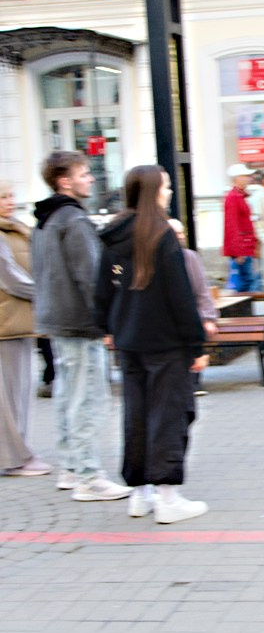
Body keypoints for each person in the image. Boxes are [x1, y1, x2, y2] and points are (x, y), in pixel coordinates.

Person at [95, 166, 209, 524]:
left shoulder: (113, 235)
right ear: (153, 192)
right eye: (166, 187)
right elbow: (180, 298)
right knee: (169, 414)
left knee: (137, 414)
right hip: (166, 343)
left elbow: (100, 290)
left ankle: (139, 493)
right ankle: (167, 496)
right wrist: (196, 344)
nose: (170, 192)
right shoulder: (161, 235)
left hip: (129, 340)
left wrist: (107, 326)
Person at [32, 153, 130, 502]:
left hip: (57, 320)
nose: (90, 179)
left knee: (67, 396)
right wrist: (108, 319)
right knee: (86, 399)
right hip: (79, 323)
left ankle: (72, 468)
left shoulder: (46, 219)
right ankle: (88, 476)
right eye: (84, 174)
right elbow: (92, 277)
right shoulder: (73, 220)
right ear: (64, 181)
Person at [0, 181, 52, 476]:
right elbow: (11, 279)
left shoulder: (13, 229)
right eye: (3, 197)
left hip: (17, 321)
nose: (10, 201)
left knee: (19, 390)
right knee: (9, 395)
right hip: (7, 322)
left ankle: (19, 453)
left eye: (11, 195)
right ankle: (13, 458)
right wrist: (47, 292)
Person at [168, 217, 218, 396]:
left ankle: (194, 381)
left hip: (191, 313)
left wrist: (208, 318)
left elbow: (202, 290)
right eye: (176, 233)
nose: (180, 237)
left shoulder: (190, 257)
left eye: (182, 232)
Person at [222, 163, 258, 292]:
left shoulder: (240, 196)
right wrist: (238, 251)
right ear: (237, 178)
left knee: (246, 281)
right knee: (245, 282)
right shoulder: (233, 197)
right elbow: (232, 225)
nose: (248, 178)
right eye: (245, 176)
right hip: (242, 248)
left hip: (245, 247)